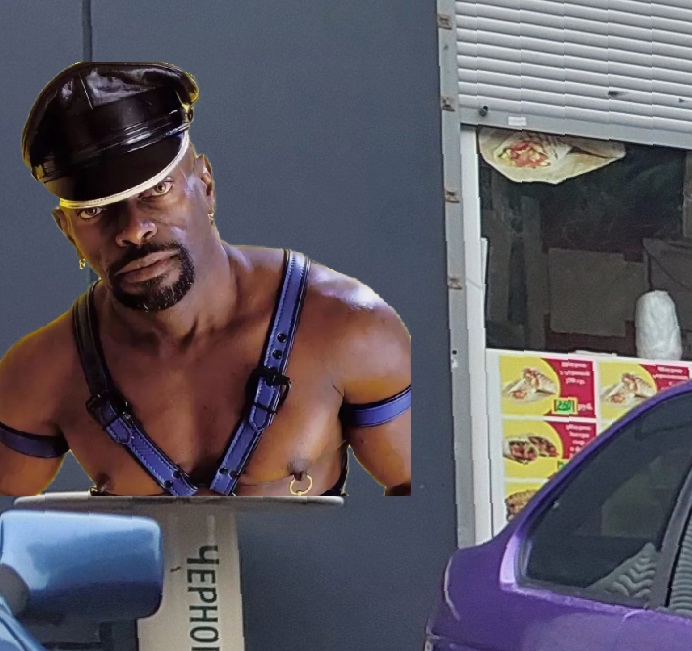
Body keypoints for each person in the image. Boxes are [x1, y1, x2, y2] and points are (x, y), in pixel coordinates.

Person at [0, 61, 411, 499]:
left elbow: (430, 505)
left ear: (206, 183)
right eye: (94, 211)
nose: (133, 229)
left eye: (158, 190)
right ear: (68, 231)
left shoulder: (350, 329)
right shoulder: (42, 372)